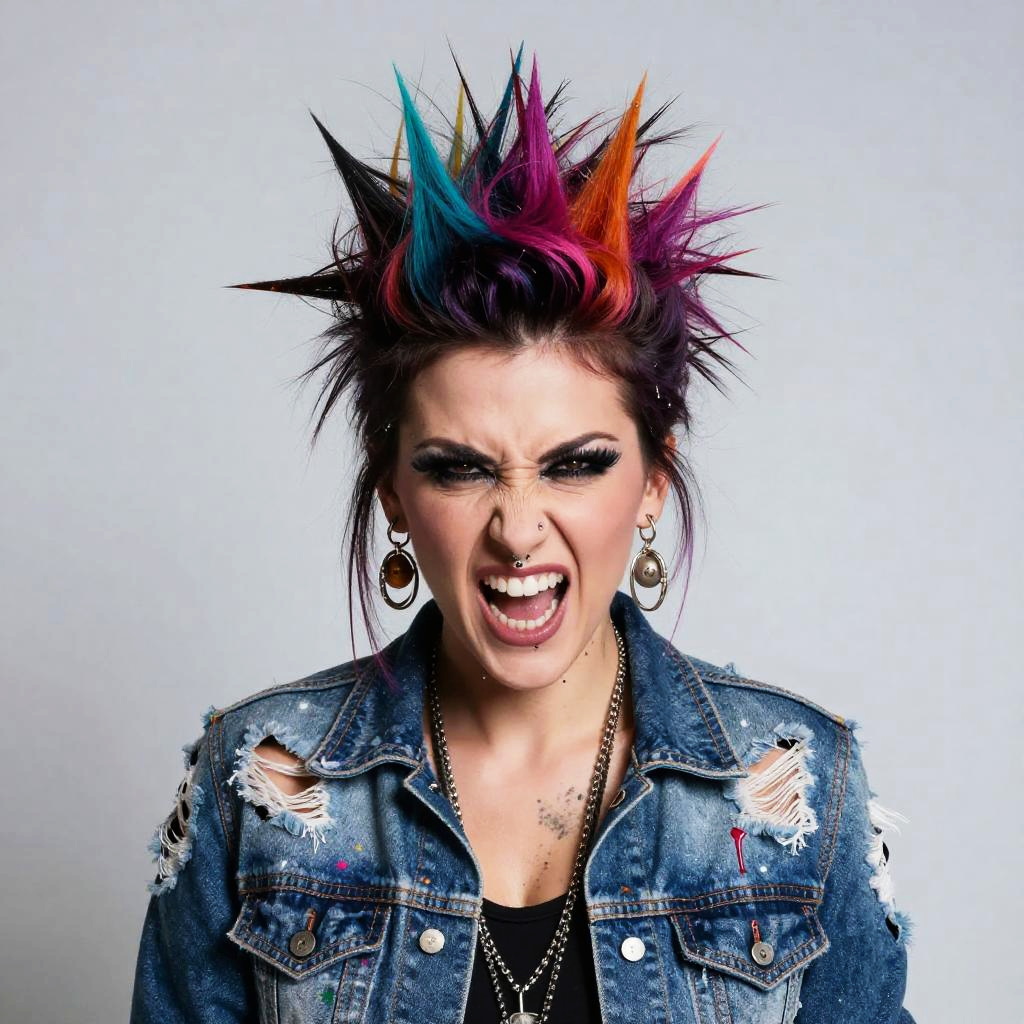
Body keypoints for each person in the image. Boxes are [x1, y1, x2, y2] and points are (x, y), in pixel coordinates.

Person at [130, 46, 916, 1024]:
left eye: (574, 464)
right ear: (393, 493)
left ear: (653, 481)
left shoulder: (792, 790)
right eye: (459, 468)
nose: (517, 530)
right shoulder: (261, 785)